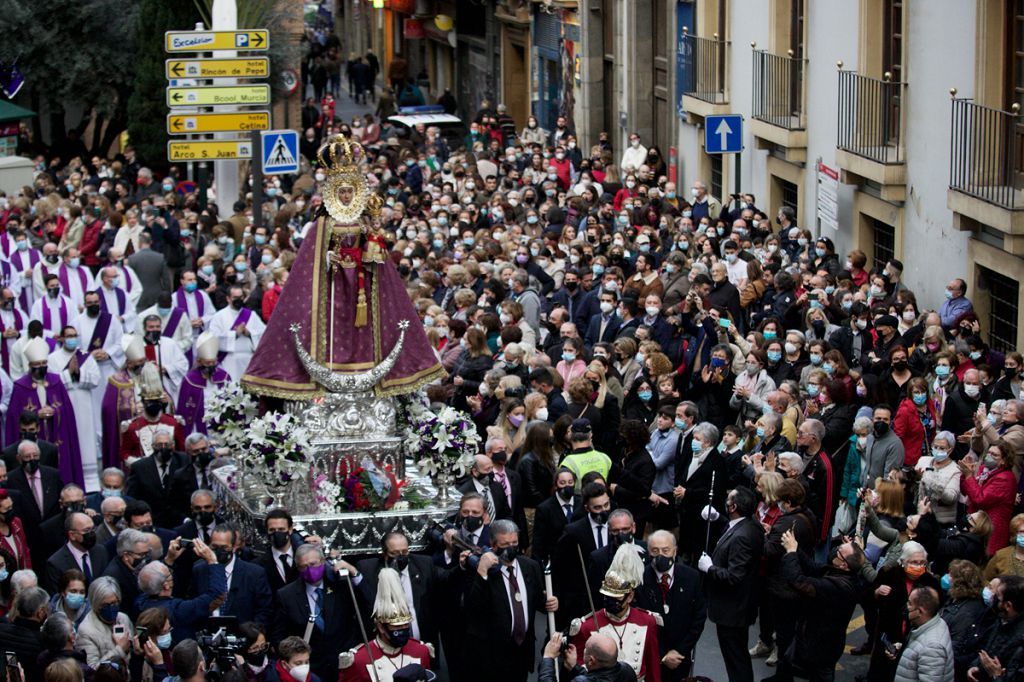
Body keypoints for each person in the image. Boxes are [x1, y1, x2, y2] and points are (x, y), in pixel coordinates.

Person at [241, 136, 444, 401]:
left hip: (361, 283)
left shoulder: (364, 222)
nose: (346, 195)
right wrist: (327, 258)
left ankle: (369, 370)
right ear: (334, 192)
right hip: (333, 283)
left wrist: (372, 252)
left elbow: (376, 249)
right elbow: (308, 263)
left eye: (350, 191)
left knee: (369, 324)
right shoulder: (321, 225)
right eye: (342, 191)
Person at [463, 519, 557, 682]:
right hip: (492, 654)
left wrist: (548, 602)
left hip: (522, 649)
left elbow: (536, 600)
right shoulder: (483, 570)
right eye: (505, 544)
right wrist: (482, 571)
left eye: (514, 542)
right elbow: (473, 608)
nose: (511, 548)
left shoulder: (531, 566)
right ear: (493, 545)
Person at [697, 487, 764, 682]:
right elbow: (733, 528)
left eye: (728, 500)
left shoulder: (742, 537)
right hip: (740, 606)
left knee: (735, 657)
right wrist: (718, 518)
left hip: (732, 610)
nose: (725, 501)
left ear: (733, 506)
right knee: (737, 655)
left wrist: (709, 568)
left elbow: (735, 576)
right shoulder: (751, 524)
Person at [270, 543, 361, 681]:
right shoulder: (286, 595)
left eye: (313, 564)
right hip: (311, 670)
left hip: (344, 665)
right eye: (303, 566)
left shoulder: (341, 584)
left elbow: (367, 604)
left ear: (323, 562)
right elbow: (278, 636)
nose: (309, 569)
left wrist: (354, 573)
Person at [634, 531, 706, 681]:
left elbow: (698, 617)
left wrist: (681, 651)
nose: (661, 555)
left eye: (665, 550)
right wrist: (662, 655)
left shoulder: (691, 577)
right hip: (650, 656)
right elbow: (638, 622)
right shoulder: (639, 579)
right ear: (648, 552)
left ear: (675, 551)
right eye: (655, 551)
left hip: (680, 657)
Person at [339, 567, 432, 681]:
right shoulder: (359, 659)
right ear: (380, 627)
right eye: (397, 626)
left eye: (405, 624)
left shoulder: (421, 650)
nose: (403, 629)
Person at [135, 537, 226, 644]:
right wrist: (212, 561)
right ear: (166, 586)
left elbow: (149, 581)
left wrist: (169, 559)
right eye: (169, 574)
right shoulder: (179, 610)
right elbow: (217, 595)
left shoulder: (139, 603)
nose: (171, 574)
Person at [191, 524, 273, 626]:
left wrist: (256, 632)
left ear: (234, 547)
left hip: (244, 633)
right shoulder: (199, 570)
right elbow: (192, 604)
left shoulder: (254, 574)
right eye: (214, 547)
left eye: (224, 547)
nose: (219, 551)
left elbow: (264, 609)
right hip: (207, 632)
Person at [959, 440, 1017, 556]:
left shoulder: (1005, 479)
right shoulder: (984, 470)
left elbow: (980, 499)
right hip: (978, 523)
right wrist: (965, 473)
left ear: (1004, 460)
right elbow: (967, 491)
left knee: (984, 560)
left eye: (994, 455)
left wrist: (969, 476)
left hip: (992, 528)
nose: (989, 456)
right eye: (989, 453)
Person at [74, 576, 133, 667]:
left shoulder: (123, 619)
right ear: (96, 605)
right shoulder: (86, 631)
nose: (110, 608)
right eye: (105, 605)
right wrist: (119, 650)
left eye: (114, 603)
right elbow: (92, 669)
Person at [44, 511, 108, 593]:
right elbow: (57, 597)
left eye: (93, 529)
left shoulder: (100, 551)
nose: (92, 533)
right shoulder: (56, 563)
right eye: (86, 530)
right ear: (72, 535)